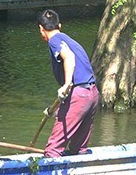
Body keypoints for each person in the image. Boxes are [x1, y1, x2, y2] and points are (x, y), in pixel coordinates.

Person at [37, 9, 100, 157]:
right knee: (78, 149)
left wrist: (66, 84)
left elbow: (69, 57)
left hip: (79, 95)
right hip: (92, 94)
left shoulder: (54, 41)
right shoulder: (68, 40)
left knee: (53, 150)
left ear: (41, 29)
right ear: (60, 25)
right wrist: (56, 110)